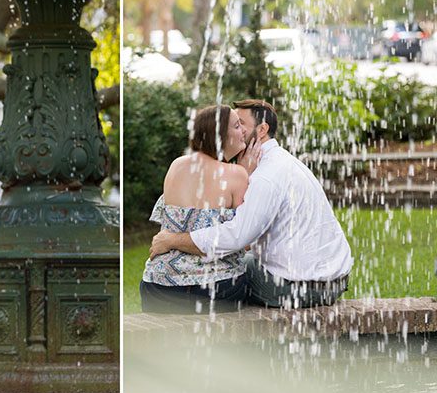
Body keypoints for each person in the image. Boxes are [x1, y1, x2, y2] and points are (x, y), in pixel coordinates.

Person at [150, 99, 353, 309]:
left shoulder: (266, 175)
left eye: (241, 124)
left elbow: (238, 236)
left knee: (229, 270)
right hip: (323, 280)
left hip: (301, 288)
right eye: (234, 124)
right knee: (238, 262)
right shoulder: (281, 161)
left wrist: (172, 240)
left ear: (262, 129)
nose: (237, 130)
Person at [140, 104, 250, 313]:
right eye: (237, 126)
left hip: (158, 286)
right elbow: (245, 242)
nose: (243, 131)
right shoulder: (238, 174)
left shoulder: (177, 165)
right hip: (214, 289)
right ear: (219, 137)